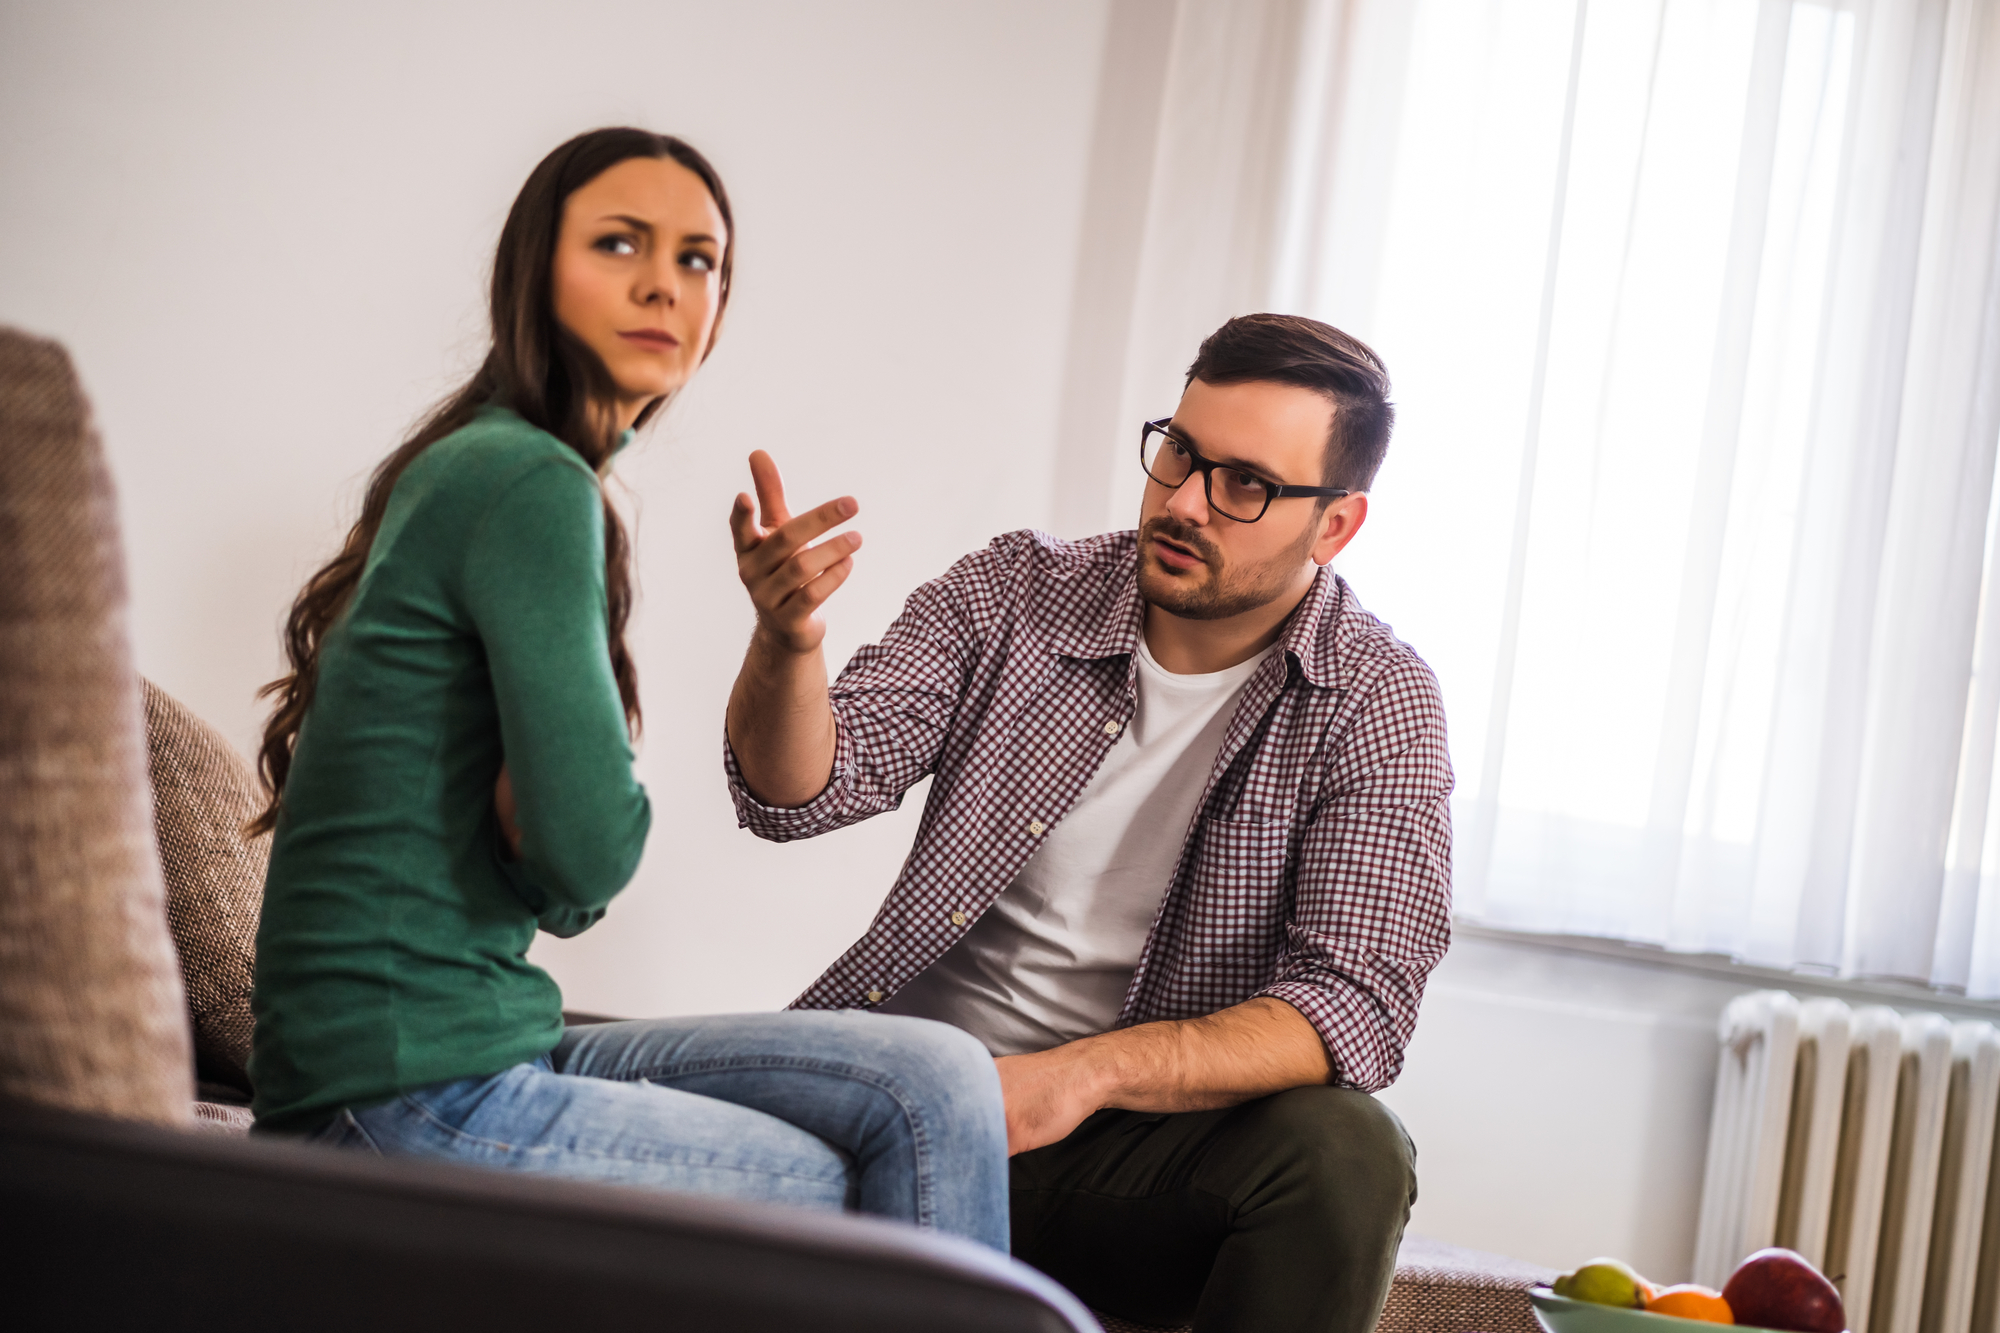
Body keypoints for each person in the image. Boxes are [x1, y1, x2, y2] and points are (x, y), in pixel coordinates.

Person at [247, 127, 1009, 1251]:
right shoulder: (528, 480)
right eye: (618, 243)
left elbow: (562, 880)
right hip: (400, 1088)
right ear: (534, 271)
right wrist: (560, 818)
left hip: (481, 1035)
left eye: (699, 259)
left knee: (939, 1078)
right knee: (853, 1200)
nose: (664, 282)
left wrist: (552, 814)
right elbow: (587, 855)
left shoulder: (489, 466)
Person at [724, 313, 1452, 1331]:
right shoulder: (1017, 589)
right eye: (1179, 453)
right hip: (900, 1097)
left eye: (1243, 484)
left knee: (1346, 1149)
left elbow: (1352, 1003)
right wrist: (786, 643)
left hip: (1111, 1150)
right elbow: (802, 791)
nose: (1186, 500)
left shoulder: (1374, 699)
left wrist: (1081, 1076)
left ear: (1332, 526)